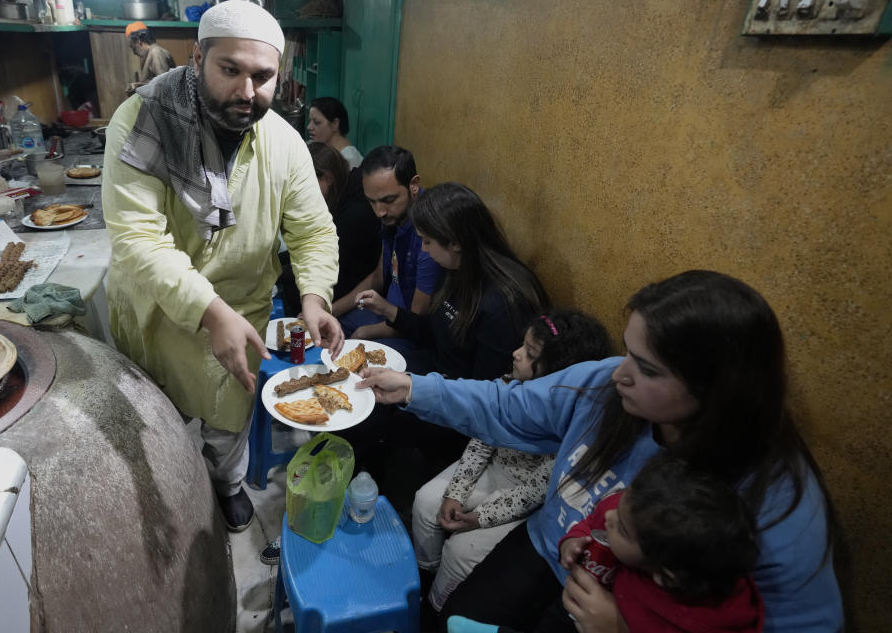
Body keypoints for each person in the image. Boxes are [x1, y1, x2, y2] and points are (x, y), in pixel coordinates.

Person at [357, 270, 843, 632]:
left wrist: (626, 625)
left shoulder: (775, 497)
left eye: (647, 369)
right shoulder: (604, 385)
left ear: (716, 391)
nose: (618, 374)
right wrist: (413, 390)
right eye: (628, 353)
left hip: (631, 611)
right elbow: (510, 408)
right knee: (461, 619)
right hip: (553, 546)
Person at [103, 1, 343, 533]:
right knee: (155, 419)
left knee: (227, 417)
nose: (246, 91)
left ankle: (227, 486)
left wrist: (314, 297)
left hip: (240, 308)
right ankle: (169, 494)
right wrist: (208, 312)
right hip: (156, 310)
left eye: (262, 77)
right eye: (230, 69)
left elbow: (313, 231)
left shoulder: (282, 141)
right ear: (198, 57)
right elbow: (137, 237)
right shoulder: (142, 122)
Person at [415, 310, 613, 618]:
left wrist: (480, 518)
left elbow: (533, 492)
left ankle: (438, 606)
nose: (516, 354)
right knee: (426, 502)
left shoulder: (571, 427)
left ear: (558, 372)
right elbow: (482, 438)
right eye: (523, 345)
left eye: (530, 353)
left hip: (524, 499)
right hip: (493, 471)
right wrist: (456, 491)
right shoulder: (512, 382)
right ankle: (425, 573)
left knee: (461, 551)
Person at [449, 455, 765, 633]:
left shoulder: (700, 621)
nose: (611, 516)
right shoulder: (635, 511)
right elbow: (600, 517)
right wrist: (572, 539)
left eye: (623, 530)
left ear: (664, 575)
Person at [354, 182, 550, 379]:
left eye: (427, 241)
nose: (424, 249)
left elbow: (484, 390)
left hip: (457, 393)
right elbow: (437, 333)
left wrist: (413, 386)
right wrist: (389, 310)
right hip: (436, 371)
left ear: (456, 243)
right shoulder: (455, 268)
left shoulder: (504, 303)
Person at [331, 146, 443, 346]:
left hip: (409, 330)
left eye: (388, 200)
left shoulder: (429, 235)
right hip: (386, 313)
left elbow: (414, 320)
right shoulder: (394, 218)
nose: (379, 212)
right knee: (329, 326)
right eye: (371, 202)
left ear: (414, 185)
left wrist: (366, 332)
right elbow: (379, 276)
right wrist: (329, 310)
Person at [278, 142, 381, 317]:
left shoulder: (355, 212)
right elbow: (307, 244)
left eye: (304, 184)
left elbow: (321, 259)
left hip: (351, 292)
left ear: (327, 178)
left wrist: (271, 271)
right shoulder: (341, 190)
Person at [307, 97, 363, 168]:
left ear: (335, 124)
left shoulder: (349, 159)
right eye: (310, 121)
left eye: (317, 122)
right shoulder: (316, 148)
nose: (309, 127)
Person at [124, 21, 176, 94]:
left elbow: (165, 86)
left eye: (133, 47)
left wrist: (138, 86)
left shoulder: (156, 53)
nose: (134, 53)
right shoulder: (149, 54)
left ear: (138, 41)